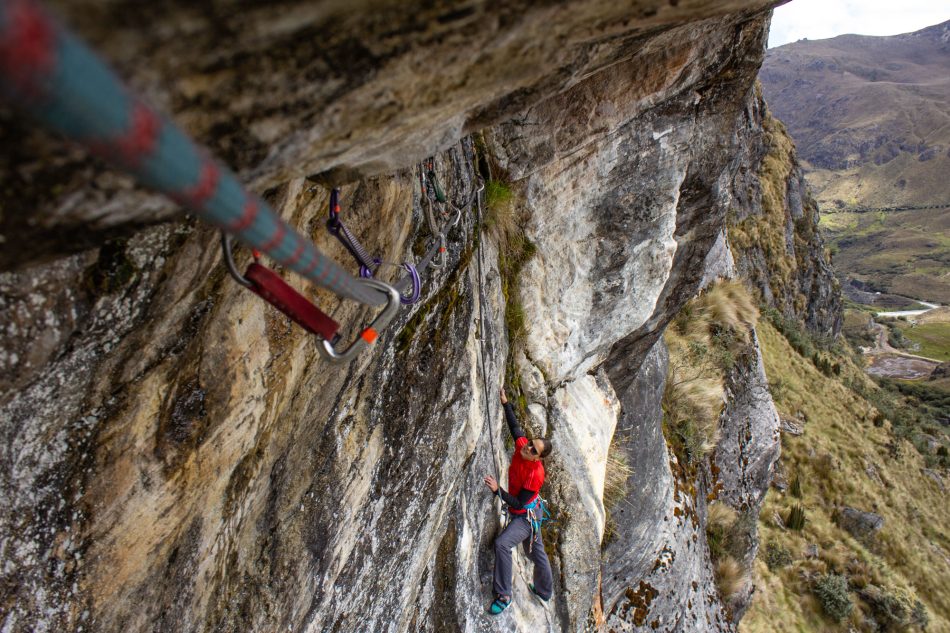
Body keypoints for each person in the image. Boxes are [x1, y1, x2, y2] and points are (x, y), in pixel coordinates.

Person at [483, 387, 554, 615]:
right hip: (531, 511)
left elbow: (518, 502)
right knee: (535, 552)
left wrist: (497, 491)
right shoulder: (522, 446)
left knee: (503, 544)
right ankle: (544, 590)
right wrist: (505, 403)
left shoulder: (536, 474)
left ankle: (504, 595)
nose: (528, 447)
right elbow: (515, 427)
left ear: (538, 458)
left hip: (526, 515)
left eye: (534, 449)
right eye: (530, 443)